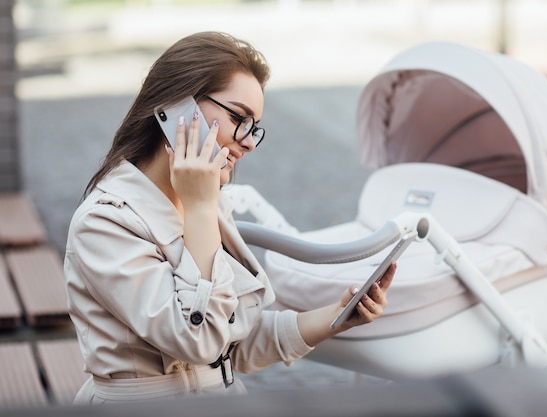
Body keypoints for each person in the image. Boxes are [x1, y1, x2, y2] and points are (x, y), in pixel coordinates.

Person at [64, 31, 396, 404]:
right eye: (239, 117)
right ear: (177, 106)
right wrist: (202, 208)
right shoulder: (105, 222)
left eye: (254, 127)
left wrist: (337, 315)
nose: (249, 141)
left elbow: (231, 342)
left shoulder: (204, 202)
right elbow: (199, 339)